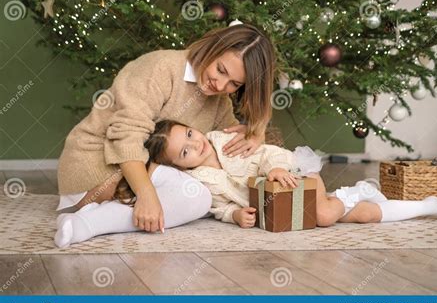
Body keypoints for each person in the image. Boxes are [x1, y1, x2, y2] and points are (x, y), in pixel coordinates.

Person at [54, 120, 437, 248]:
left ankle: (427, 204)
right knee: (344, 215)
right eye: (183, 151)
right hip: (273, 205)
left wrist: (274, 170)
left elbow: (270, 153)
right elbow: (216, 204)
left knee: (325, 214)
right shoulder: (197, 180)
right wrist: (235, 213)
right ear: (174, 166)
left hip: (292, 177)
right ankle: (384, 200)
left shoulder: (225, 140)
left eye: (190, 135)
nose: (194, 146)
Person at [56, 24, 276, 234]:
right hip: (96, 165)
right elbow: (126, 138)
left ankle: (101, 216)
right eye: (220, 70)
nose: (220, 85)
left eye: (234, 84)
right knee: (197, 197)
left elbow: (227, 155)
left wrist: (256, 136)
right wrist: (146, 194)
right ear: (212, 46)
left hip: (143, 172)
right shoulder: (162, 67)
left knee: (202, 190)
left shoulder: (218, 100)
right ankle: (90, 223)